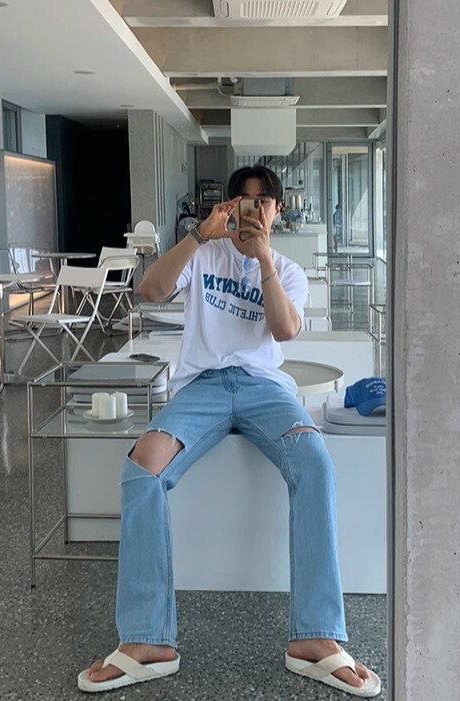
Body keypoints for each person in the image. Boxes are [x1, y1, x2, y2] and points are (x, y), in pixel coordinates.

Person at [77, 165, 381, 698]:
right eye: (242, 199)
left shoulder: (286, 270)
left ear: (277, 211)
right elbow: (150, 288)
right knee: (142, 468)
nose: (252, 209)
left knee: (314, 463)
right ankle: (147, 639)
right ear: (227, 206)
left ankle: (315, 637)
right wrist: (199, 234)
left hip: (267, 388)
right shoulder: (204, 254)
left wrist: (262, 258)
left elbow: (284, 329)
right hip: (201, 388)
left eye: (263, 201)